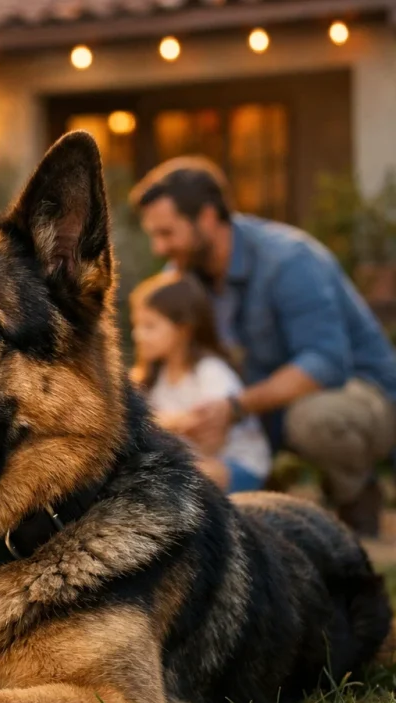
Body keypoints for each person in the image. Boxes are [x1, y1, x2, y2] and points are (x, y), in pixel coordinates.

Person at [131, 157, 396, 537]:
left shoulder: (288, 260)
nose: (159, 248)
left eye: (167, 233)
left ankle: (355, 492)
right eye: (153, 235)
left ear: (207, 218)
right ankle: (266, 487)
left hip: (360, 394)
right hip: (265, 405)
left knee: (314, 420)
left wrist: (235, 408)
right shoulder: (183, 277)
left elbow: (326, 362)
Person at [130, 272, 271, 493]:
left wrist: (162, 425)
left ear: (183, 330)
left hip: (234, 465)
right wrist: (177, 424)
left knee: (190, 474)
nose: (138, 335)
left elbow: (212, 441)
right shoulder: (152, 377)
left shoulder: (210, 372)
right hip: (183, 462)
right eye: (136, 325)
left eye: (150, 326)